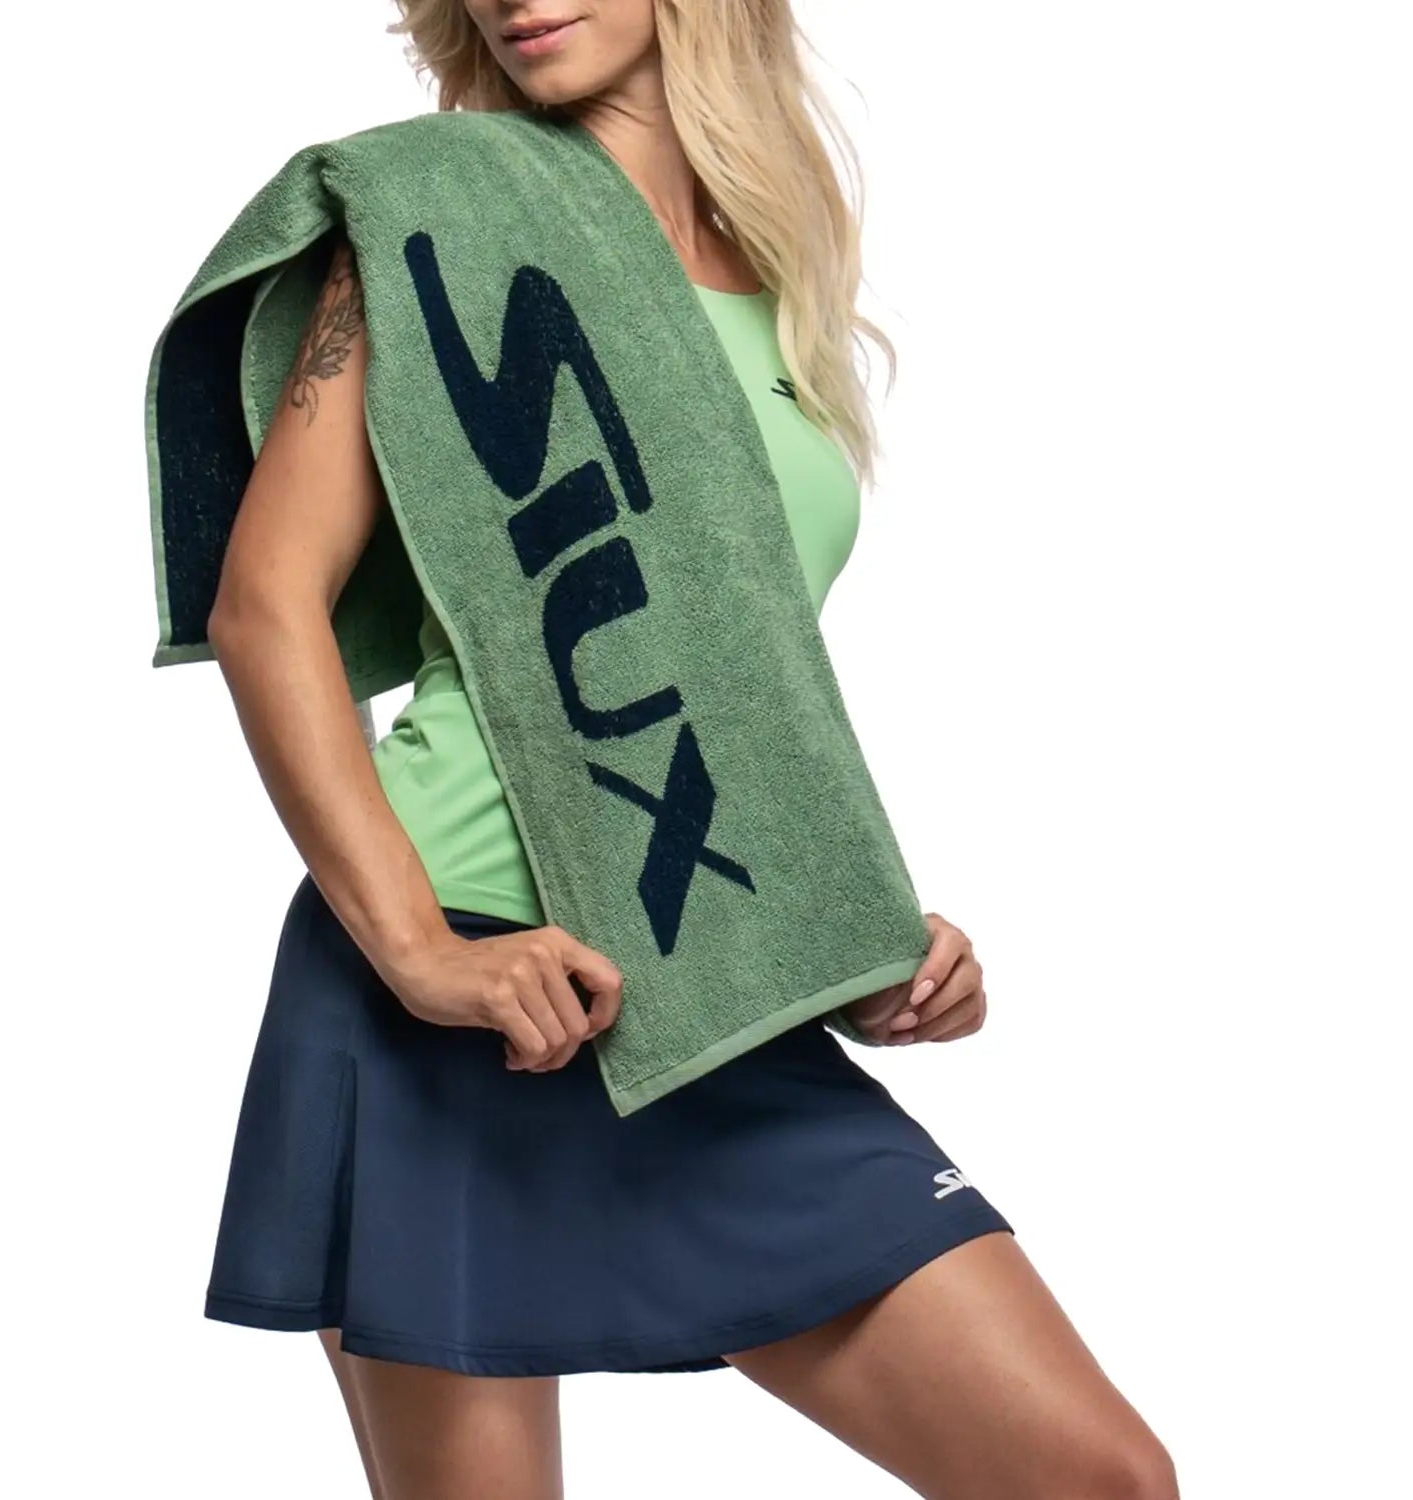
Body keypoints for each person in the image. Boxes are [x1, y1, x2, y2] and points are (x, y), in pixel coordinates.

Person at [196, 3, 1177, 1496]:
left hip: (709, 997)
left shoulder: (780, 283)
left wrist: (849, 931)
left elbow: (731, 675)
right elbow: (267, 604)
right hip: (463, 983)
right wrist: (416, 952)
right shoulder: (432, 214)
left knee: (1098, 1477)